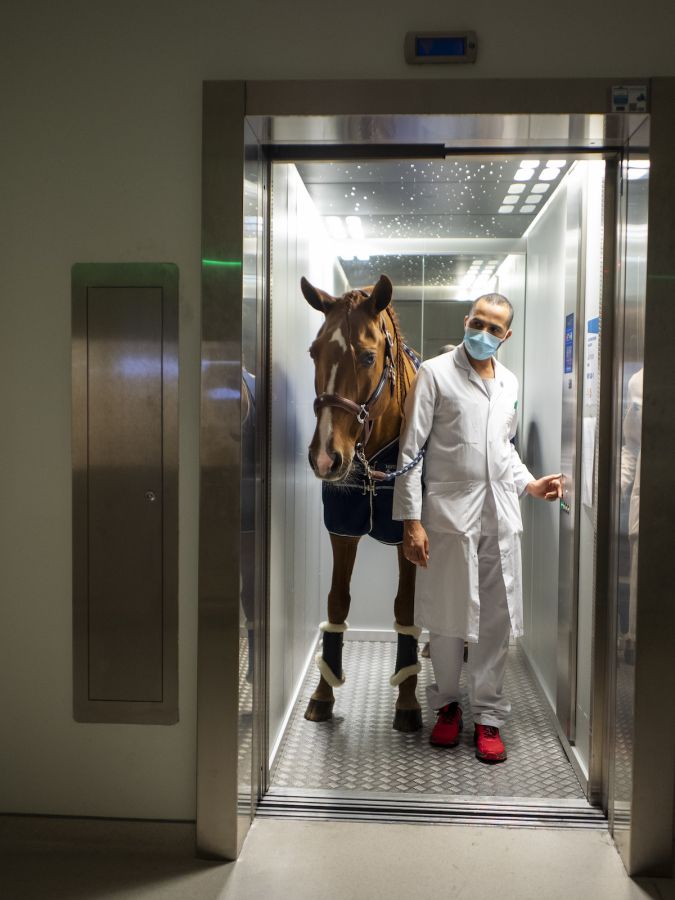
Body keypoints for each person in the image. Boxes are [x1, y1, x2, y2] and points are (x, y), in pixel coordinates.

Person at [392, 293, 562, 763]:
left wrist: (530, 484)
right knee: (448, 619)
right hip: (449, 515)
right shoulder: (434, 373)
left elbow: (504, 449)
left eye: (494, 328)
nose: (484, 334)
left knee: (495, 618)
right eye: (478, 323)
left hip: (499, 514)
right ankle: (448, 705)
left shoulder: (508, 381)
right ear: (467, 321)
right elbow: (410, 453)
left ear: (506, 336)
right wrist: (411, 522)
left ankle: (488, 715)